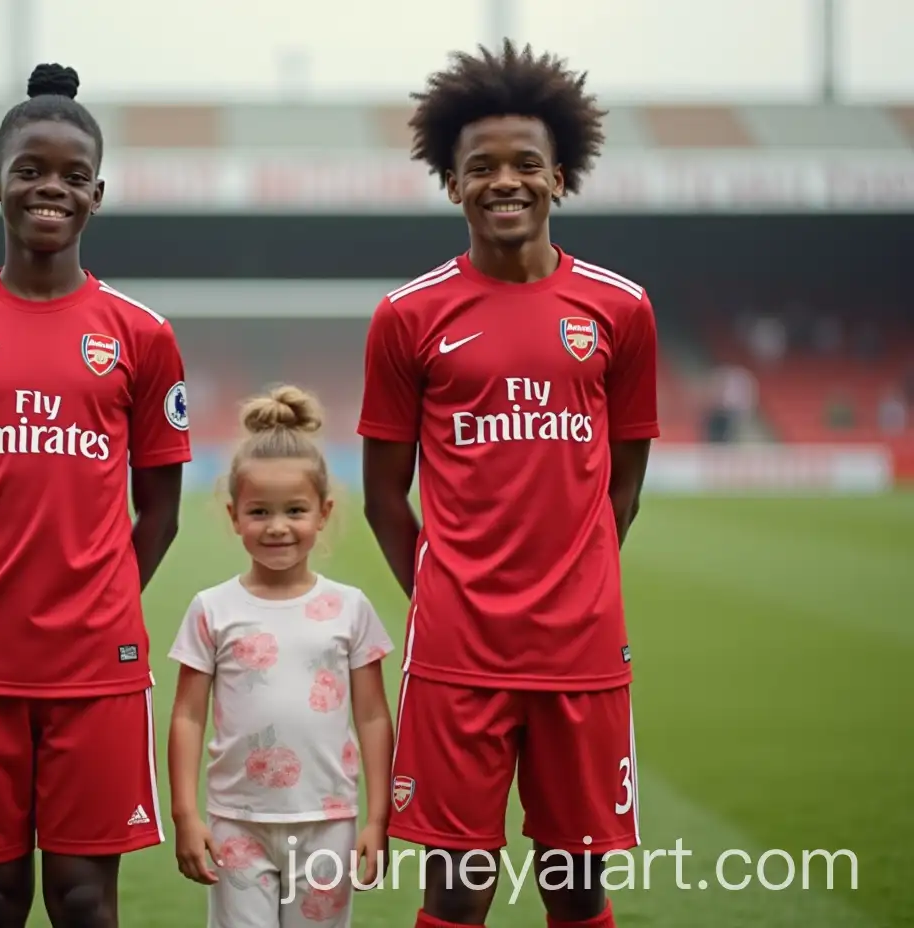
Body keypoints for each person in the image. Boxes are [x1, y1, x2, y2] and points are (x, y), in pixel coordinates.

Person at [357, 41, 660, 928]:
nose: (505, 182)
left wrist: (578, 577)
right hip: (459, 652)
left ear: (560, 176)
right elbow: (384, 494)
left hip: (581, 647)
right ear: (451, 184)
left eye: (526, 164)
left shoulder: (620, 310)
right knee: (457, 883)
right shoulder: (407, 317)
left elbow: (626, 481)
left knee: (576, 882)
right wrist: (442, 592)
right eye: (480, 167)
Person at [0, 62, 191, 928]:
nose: (49, 189)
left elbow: (161, 510)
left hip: (97, 664)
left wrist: (96, 600)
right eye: (29, 170)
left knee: (84, 897)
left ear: (98, 193)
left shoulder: (142, 336)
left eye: (71, 176)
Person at [167, 385, 396, 928]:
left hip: (328, 821)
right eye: (259, 511)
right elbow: (187, 715)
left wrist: (378, 818)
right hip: (236, 822)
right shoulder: (212, 609)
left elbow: (371, 715)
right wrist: (185, 813)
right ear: (234, 514)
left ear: (323, 513)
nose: (276, 526)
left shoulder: (350, 609)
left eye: (295, 510)